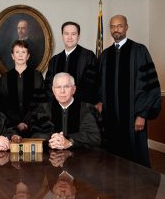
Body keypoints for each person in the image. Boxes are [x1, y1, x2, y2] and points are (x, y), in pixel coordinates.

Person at [98, 14, 161, 167]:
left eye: (119, 26)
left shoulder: (139, 51)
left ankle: (138, 188)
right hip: (110, 117)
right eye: (112, 27)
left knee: (135, 159)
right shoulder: (105, 55)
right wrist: (99, 101)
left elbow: (150, 85)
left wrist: (142, 114)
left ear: (126, 27)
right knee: (112, 157)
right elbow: (99, 84)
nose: (116, 30)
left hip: (133, 117)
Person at [36, 72, 101, 149]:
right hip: (52, 158)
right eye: (58, 87)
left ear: (74, 89)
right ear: (53, 90)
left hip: (81, 158)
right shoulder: (43, 109)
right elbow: (37, 134)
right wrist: (50, 142)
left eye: (66, 87)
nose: (62, 91)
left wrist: (70, 141)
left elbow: (94, 137)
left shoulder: (87, 109)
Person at [0, 40, 49, 138]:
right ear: (13, 56)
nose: (20, 55)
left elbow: (41, 101)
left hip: (33, 125)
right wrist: (17, 122)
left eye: (23, 52)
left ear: (28, 56)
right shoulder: (5, 78)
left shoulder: (37, 76)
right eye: (17, 52)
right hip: (11, 126)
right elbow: (3, 103)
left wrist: (27, 121)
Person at [45, 21, 99, 105]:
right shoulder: (55, 60)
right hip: (58, 108)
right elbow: (49, 86)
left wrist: (71, 102)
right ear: (62, 36)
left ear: (78, 36)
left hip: (81, 107)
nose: (69, 37)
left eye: (73, 34)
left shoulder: (88, 56)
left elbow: (91, 85)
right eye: (66, 34)